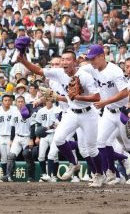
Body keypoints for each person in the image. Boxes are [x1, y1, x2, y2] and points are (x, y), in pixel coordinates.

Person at [17, 51, 105, 187]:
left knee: (91, 149)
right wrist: (23, 61)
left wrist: (78, 97)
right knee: (58, 139)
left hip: (88, 113)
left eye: (68, 59)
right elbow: (38, 70)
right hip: (72, 112)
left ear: (75, 62)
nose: (64, 62)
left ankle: (99, 175)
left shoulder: (85, 76)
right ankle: (74, 163)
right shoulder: (58, 73)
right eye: (62, 59)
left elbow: (97, 97)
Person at [82, 45, 130, 185]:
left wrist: (105, 102)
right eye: (89, 59)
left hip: (122, 112)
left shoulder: (114, 70)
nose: (91, 61)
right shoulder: (90, 68)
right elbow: (77, 71)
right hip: (108, 112)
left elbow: (124, 93)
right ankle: (110, 171)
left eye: (93, 58)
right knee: (100, 143)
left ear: (102, 56)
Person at [0, 94, 19, 181]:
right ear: (2, 102)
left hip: (10, 137)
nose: (7, 102)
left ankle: (10, 176)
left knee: (10, 157)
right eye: (5, 100)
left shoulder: (14, 111)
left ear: (11, 101)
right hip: (1, 136)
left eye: (9, 100)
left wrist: (14, 138)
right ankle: (5, 176)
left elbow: (16, 125)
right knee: (3, 158)